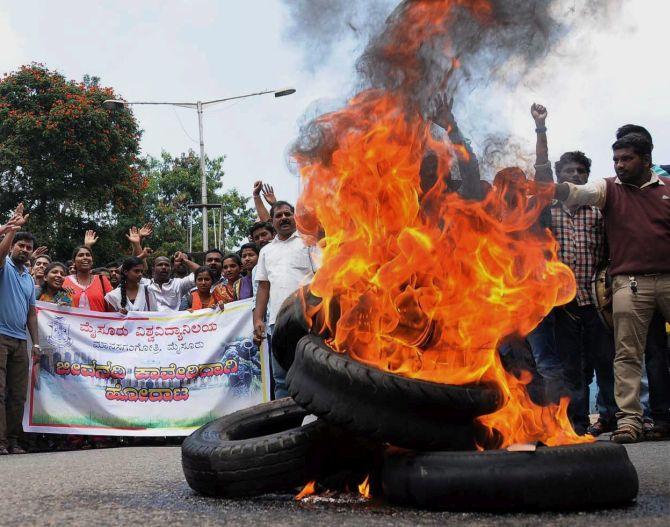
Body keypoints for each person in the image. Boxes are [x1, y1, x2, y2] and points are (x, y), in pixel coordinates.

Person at [549, 133, 670, 443]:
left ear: (646, 160)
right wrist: (555, 189)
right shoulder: (607, 190)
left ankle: (654, 417)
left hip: (664, 280)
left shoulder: (666, 189)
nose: (619, 165)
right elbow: (579, 192)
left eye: (626, 159)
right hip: (628, 284)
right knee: (626, 356)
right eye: (615, 159)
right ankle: (628, 421)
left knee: (646, 354)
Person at [531, 103, 615, 435]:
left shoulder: (599, 213)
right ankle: (578, 423)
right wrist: (541, 127)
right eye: (569, 171)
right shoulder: (547, 212)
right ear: (559, 176)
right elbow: (540, 170)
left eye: (581, 172)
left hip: (595, 301)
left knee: (604, 362)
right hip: (563, 305)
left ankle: (610, 415)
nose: (576, 176)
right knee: (572, 366)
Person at [254, 201, 319, 398]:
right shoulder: (266, 251)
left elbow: (322, 278)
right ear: (271, 222)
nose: (283, 218)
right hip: (277, 324)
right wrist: (258, 319)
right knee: (281, 378)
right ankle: (287, 423)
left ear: (294, 217)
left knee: (313, 374)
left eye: (287, 214)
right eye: (278, 215)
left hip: (308, 320)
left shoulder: (309, 242)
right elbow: (264, 287)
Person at [0, 204, 38, 455]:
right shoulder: (4, 267)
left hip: (19, 342)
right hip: (0, 338)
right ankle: (0, 442)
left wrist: (35, 342)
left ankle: (12, 440)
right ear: (12, 247)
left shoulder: (29, 278)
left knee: (17, 395)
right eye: (20, 246)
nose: (24, 250)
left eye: (28, 247)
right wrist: (12, 229)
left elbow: (31, 313)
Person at [64, 245, 113, 312]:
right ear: (73, 261)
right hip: (72, 321)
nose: (85, 257)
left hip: (99, 322)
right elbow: (56, 304)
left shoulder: (102, 280)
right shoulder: (65, 281)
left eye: (88, 255)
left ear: (92, 260)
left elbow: (113, 307)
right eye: (81, 255)